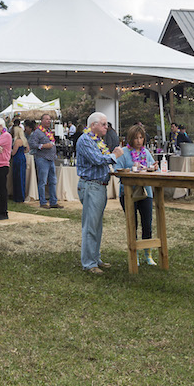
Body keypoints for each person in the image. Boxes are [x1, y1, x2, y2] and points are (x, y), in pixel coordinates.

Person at [76, 112, 118, 274]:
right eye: (103, 124)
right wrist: (115, 155)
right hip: (91, 186)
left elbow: (102, 157)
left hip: (99, 186)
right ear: (93, 125)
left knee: (97, 226)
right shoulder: (85, 140)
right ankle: (88, 263)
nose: (106, 127)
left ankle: (95, 257)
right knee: (90, 226)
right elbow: (97, 159)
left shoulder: (97, 141)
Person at [116, 123, 157, 266]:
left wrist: (153, 168)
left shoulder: (146, 153)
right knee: (132, 224)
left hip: (146, 192)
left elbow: (153, 169)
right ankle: (134, 254)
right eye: (136, 138)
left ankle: (148, 254)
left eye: (141, 138)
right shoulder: (123, 152)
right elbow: (117, 170)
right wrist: (131, 169)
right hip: (128, 193)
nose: (139, 141)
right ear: (130, 139)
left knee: (147, 223)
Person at [29, 113, 61, 209]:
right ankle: (43, 202)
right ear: (41, 121)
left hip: (51, 159)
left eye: (49, 119)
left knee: (53, 181)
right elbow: (32, 144)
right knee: (42, 181)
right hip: (42, 158)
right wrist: (42, 146)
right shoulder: (37, 132)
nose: (48, 121)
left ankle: (53, 202)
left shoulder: (49, 132)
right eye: (46, 119)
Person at [10, 118, 29, 203]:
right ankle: (22, 194)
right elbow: (27, 149)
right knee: (22, 177)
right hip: (22, 158)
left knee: (17, 177)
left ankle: (18, 196)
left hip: (17, 159)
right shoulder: (24, 140)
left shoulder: (17, 141)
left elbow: (13, 153)